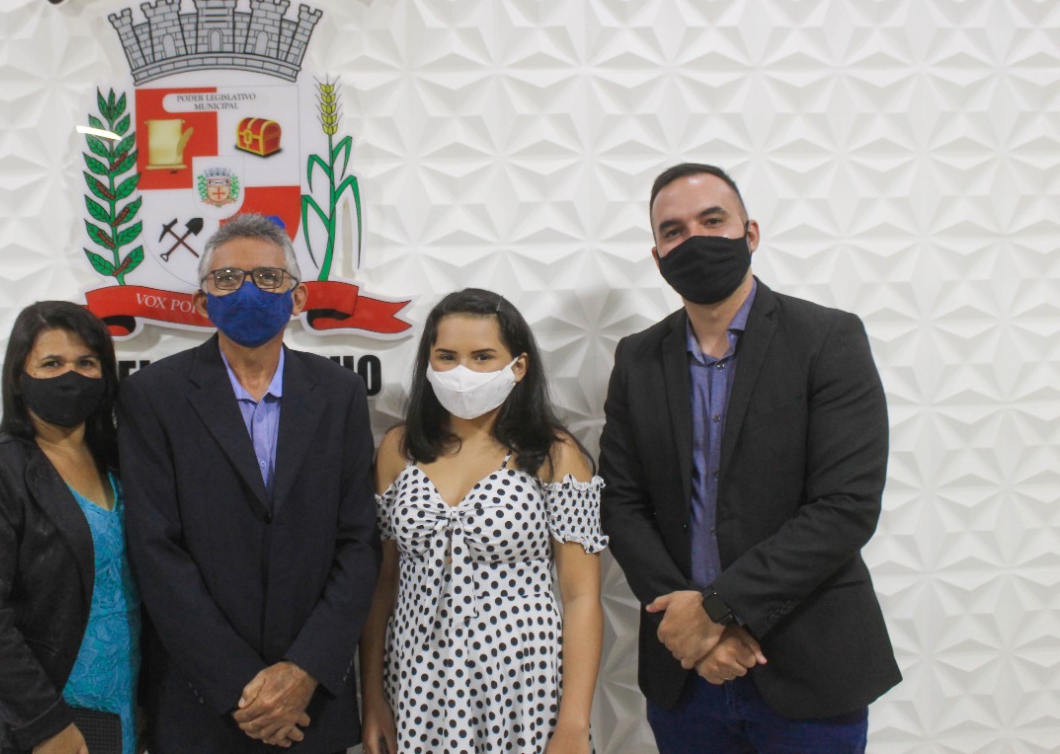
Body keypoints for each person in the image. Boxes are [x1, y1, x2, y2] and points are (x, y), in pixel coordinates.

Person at [599, 162, 902, 752]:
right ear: (658, 257)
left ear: (751, 232)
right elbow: (622, 504)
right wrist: (690, 628)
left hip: (808, 668)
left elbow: (845, 506)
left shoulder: (827, 339)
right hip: (685, 675)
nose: (695, 239)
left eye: (712, 220)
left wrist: (717, 611)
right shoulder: (637, 358)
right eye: (674, 231)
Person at [118, 213, 379, 752]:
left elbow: (358, 542)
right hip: (202, 705)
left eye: (268, 277)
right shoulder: (154, 396)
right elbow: (155, 550)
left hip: (311, 706)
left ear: (298, 297)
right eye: (227, 278)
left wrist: (304, 671)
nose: (248, 290)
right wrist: (242, 686)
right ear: (201, 301)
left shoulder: (340, 394)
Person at [360, 288, 607, 754]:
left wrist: (574, 722)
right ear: (428, 362)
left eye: (482, 357)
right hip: (418, 680)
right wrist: (372, 699)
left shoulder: (554, 454)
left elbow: (581, 597)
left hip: (523, 684)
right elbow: (380, 588)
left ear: (519, 366)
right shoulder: (399, 448)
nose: (463, 372)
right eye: (447, 356)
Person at [0, 301, 140, 754]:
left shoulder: (119, 463)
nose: (71, 376)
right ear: (19, 376)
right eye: (51, 363)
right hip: (25, 721)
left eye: (86, 363)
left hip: (114, 707)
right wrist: (45, 726)